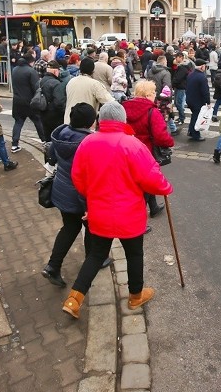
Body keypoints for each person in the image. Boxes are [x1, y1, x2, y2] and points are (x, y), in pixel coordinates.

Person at [61, 102, 173, 320]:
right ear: (123, 120)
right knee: (134, 254)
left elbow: (78, 177)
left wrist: (91, 196)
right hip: (129, 214)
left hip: (99, 212)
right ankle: (135, 296)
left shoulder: (87, 143)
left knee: (95, 255)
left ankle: (74, 299)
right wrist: (165, 187)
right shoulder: (132, 145)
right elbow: (150, 177)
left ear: (100, 120)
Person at [41, 103, 112, 287]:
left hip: (61, 190)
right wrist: (89, 205)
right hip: (80, 195)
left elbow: (52, 159)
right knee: (90, 227)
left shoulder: (62, 136)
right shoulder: (90, 143)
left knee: (69, 228)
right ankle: (93, 260)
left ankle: (52, 266)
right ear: (91, 123)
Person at [123, 80, 174, 220]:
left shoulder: (124, 108)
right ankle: (137, 220)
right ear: (148, 94)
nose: (155, 95)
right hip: (146, 153)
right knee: (144, 185)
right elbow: (161, 137)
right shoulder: (152, 111)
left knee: (138, 182)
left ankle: (154, 207)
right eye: (154, 92)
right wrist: (170, 142)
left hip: (127, 150)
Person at [64, 57, 114, 124]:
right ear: (93, 70)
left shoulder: (71, 82)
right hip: (85, 124)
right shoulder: (95, 84)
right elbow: (109, 102)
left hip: (68, 121)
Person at [10, 52, 43, 151]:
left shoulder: (15, 69)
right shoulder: (31, 71)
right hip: (29, 102)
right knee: (37, 121)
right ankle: (44, 140)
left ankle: (14, 144)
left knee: (18, 122)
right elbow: (36, 87)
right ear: (31, 62)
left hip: (17, 101)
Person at [40, 60, 70, 141]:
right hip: (54, 116)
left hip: (44, 113)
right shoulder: (56, 83)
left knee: (47, 139)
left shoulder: (42, 80)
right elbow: (59, 102)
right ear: (55, 70)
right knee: (56, 139)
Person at [185, 58, 211, 141]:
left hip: (190, 99)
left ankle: (191, 131)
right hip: (197, 101)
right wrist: (208, 102)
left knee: (194, 116)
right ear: (202, 66)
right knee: (196, 117)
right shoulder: (202, 77)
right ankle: (195, 134)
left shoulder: (191, 74)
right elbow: (205, 91)